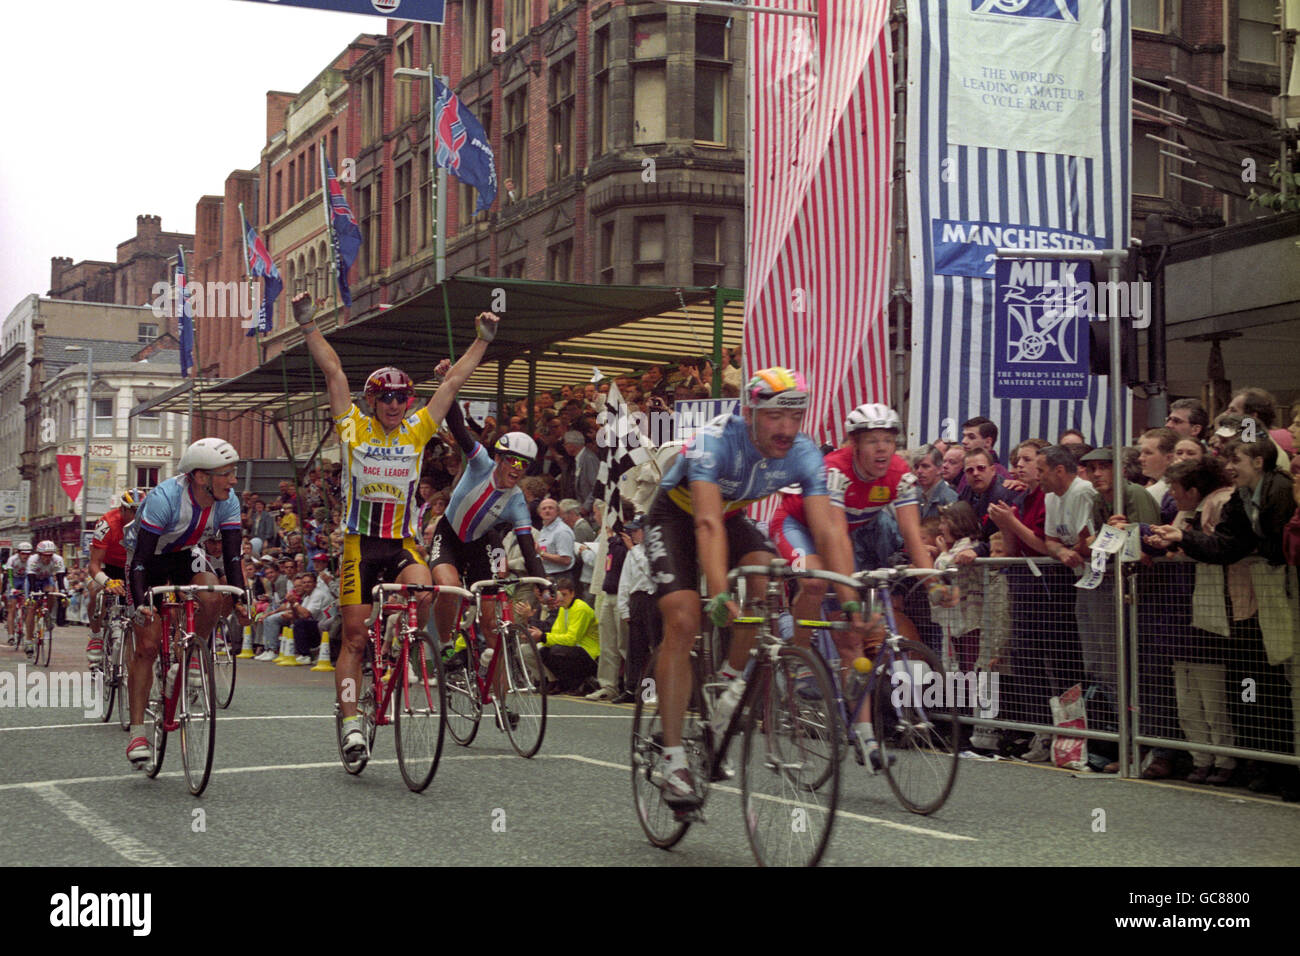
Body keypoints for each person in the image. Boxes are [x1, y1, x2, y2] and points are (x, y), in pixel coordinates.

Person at [645, 368, 870, 806]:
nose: (787, 429)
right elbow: (706, 523)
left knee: (764, 574)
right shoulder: (716, 441)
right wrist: (719, 591)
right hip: (676, 518)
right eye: (774, 418)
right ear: (750, 414)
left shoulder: (804, 453)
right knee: (684, 619)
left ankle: (729, 686)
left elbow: (829, 533)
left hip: (729, 517)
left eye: (796, 417)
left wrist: (850, 601)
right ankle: (672, 759)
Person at [295, 290, 496, 765]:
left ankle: (396, 638)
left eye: (402, 397)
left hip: (402, 543)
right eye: (385, 398)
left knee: (428, 592)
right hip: (360, 545)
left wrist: (482, 341)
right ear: (372, 401)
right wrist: (308, 324)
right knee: (352, 637)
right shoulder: (353, 427)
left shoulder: (418, 429)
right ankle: (349, 722)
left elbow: (454, 384)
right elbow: (334, 371)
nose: (394, 404)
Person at [124, 438, 250, 769]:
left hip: (184, 555)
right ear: (199, 476)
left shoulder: (228, 500)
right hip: (146, 560)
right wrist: (142, 603)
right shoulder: (164, 498)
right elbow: (139, 559)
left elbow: (233, 556)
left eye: (233, 472)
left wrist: (242, 598)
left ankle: (193, 655)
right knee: (147, 647)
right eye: (226, 473)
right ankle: (138, 732)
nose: (233, 480)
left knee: (213, 592)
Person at [428, 367, 550, 700]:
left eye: (523, 465)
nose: (516, 468)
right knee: (450, 587)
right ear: (498, 458)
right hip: (449, 537)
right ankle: (447, 643)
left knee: (494, 630)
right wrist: (447, 383)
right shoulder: (480, 462)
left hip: (481, 546)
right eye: (511, 460)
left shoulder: (518, 504)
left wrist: (543, 583)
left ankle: (500, 699)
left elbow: (529, 551)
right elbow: (456, 425)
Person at [86, 488, 144, 665]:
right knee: (95, 591)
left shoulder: (151, 521)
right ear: (122, 509)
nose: (137, 516)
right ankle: (96, 636)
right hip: (110, 567)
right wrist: (107, 582)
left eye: (141, 511)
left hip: (136, 566)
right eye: (133, 511)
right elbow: (94, 565)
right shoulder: (107, 523)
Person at [23, 541, 69, 656]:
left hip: (46, 579)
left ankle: (47, 615)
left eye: (50, 555)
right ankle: (28, 640)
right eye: (45, 555)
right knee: (32, 608)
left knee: (52, 593)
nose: (48, 558)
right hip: (32, 580)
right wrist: (32, 595)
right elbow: (31, 577)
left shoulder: (58, 559)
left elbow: (60, 578)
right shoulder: (33, 560)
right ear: (39, 554)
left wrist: (63, 593)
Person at [4, 541, 33, 646]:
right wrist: (12, 588)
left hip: (25, 578)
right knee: (12, 607)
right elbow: (9, 575)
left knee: (29, 603)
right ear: (18, 552)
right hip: (15, 579)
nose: (25, 556)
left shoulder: (32, 560)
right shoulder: (12, 559)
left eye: (28, 553)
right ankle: (11, 635)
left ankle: (26, 622)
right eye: (23, 553)